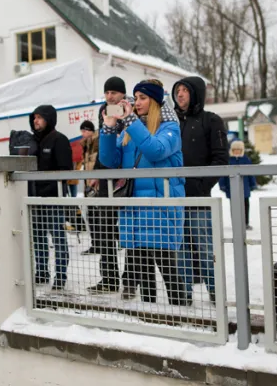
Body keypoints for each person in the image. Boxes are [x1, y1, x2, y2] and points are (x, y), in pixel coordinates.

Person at [100, 79, 187, 305]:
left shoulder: (170, 128)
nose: (136, 102)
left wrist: (130, 121)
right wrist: (109, 128)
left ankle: (181, 313)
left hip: (161, 209)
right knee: (142, 271)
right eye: (135, 97)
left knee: (168, 270)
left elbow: (156, 150)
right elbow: (109, 160)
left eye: (142, 98)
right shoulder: (130, 131)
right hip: (134, 209)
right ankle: (150, 315)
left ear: (155, 101)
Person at [172, 76, 229, 303]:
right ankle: (184, 295)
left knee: (205, 249)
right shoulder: (172, 122)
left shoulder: (211, 121)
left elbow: (221, 159)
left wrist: (201, 185)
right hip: (175, 197)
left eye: (185, 90)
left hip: (200, 200)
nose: (180, 94)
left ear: (196, 94)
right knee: (180, 250)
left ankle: (216, 293)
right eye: (178, 90)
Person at [84, 77, 132, 293]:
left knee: (130, 229)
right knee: (104, 228)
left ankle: (131, 279)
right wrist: (95, 171)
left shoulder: (131, 109)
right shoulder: (103, 110)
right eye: (107, 92)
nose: (110, 96)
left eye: (114, 92)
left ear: (123, 93)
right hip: (106, 176)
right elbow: (101, 142)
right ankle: (109, 278)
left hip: (127, 175)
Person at [29, 105, 73, 291]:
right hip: (33, 198)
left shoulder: (59, 140)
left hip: (53, 198)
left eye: (39, 118)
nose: (35, 121)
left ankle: (60, 275)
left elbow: (66, 170)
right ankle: (41, 271)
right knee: (38, 237)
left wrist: (52, 188)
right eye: (34, 118)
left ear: (49, 119)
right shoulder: (31, 141)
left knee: (57, 237)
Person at [219, 141, 257, 230]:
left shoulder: (246, 160)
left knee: (245, 205)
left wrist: (253, 183)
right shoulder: (228, 160)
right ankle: (235, 223)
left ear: (242, 150)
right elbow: (223, 174)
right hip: (231, 188)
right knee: (234, 206)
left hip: (245, 187)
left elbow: (251, 172)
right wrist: (222, 185)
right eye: (235, 150)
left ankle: (246, 223)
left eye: (239, 150)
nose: (237, 151)